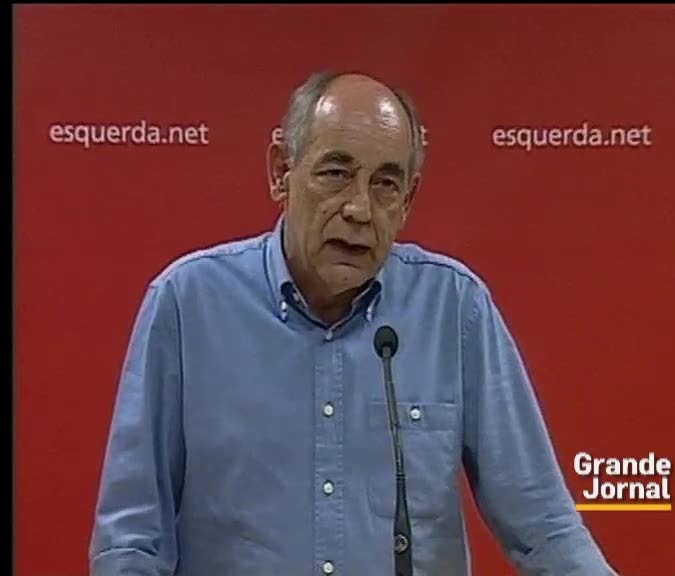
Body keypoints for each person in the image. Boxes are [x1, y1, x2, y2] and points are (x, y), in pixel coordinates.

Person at [89, 70, 618, 576]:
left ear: (408, 201)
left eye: (385, 183)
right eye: (336, 174)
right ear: (281, 171)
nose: (360, 209)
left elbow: (543, 526)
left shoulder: (455, 309)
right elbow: (132, 542)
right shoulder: (188, 305)